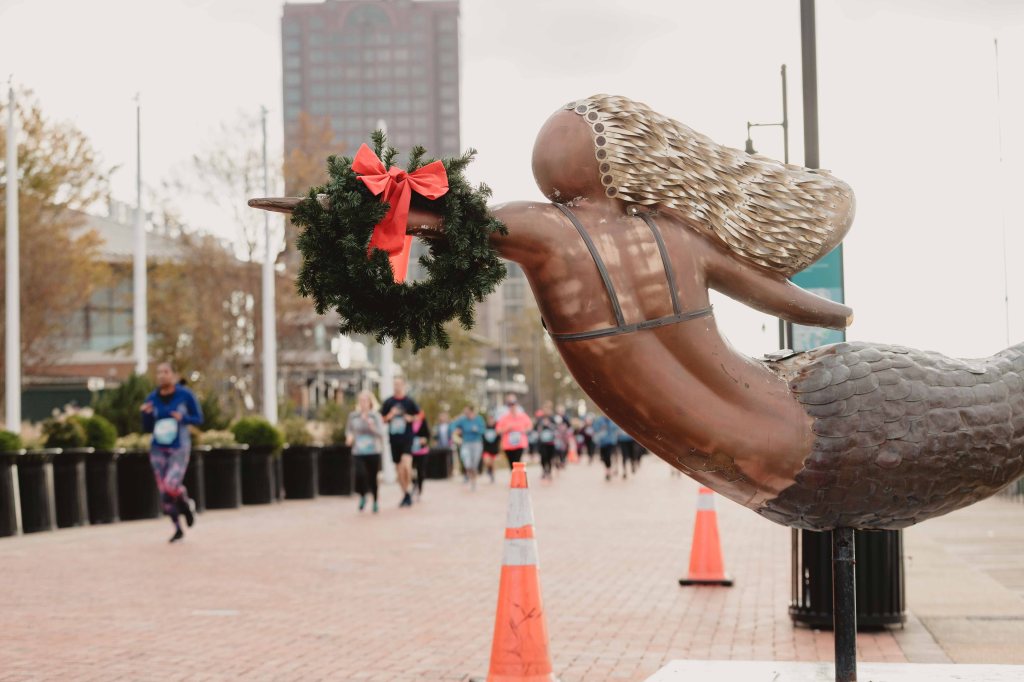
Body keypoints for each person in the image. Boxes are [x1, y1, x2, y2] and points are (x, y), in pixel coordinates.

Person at [140, 362, 203, 543]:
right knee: (164, 493)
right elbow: (147, 427)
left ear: (173, 375)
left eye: (166, 372)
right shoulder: (152, 398)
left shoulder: (185, 395)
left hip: (179, 446)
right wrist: (146, 414)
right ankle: (177, 528)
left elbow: (199, 418)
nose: (161, 375)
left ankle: (185, 504)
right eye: (159, 372)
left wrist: (182, 418)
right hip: (158, 448)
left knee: (171, 485)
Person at [381, 377, 420, 507]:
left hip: (407, 438)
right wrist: (390, 415)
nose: (396, 387)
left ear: (404, 385)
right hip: (394, 439)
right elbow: (382, 419)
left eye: (399, 384)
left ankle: (409, 486)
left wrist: (411, 418)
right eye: (395, 384)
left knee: (406, 466)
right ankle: (406, 494)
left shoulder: (409, 401)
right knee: (399, 470)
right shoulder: (389, 402)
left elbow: (419, 415)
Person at [346, 391, 386, 514]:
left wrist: (372, 426)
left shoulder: (376, 416)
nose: (363, 403)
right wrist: (349, 437)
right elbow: (349, 430)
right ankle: (363, 496)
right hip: (358, 451)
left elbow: (381, 433)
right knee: (360, 474)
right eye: (361, 401)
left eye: (365, 401)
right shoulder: (353, 416)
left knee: (373, 477)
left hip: (373, 451)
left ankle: (375, 501)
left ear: (370, 402)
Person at [452, 404, 485, 491]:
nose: (466, 413)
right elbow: (452, 426)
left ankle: (473, 482)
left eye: (467, 411)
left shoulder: (478, 419)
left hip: (477, 443)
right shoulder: (462, 420)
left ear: (471, 411)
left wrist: (476, 429)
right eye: (464, 412)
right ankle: (470, 478)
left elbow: (483, 430)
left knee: (474, 464)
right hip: (466, 444)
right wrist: (456, 430)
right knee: (467, 463)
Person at [496, 396, 532, 468]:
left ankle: (517, 477)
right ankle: (514, 477)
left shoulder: (522, 416)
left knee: (517, 462)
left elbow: (530, 426)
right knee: (511, 464)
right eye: (510, 404)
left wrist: (524, 430)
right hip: (508, 445)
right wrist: (507, 428)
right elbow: (498, 431)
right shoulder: (504, 418)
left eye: (513, 404)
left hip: (519, 444)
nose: (512, 406)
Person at [534, 402, 558, 480]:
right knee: (543, 457)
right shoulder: (540, 419)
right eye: (545, 409)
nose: (546, 411)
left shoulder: (552, 418)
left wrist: (549, 425)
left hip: (551, 442)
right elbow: (535, 428)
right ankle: (544, 470)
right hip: (542, 442)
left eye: (548, 409)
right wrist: (540, 427)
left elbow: (556, 428)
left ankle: (549, 471)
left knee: (550, 457)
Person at [410, 412, 431, 500]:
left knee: (420, 471)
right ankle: (414, 485)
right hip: (411, 451)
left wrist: (424, 440)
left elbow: (428, 435)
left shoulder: (423, 423)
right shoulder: (409, 423)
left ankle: (420, 489)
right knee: (411, 471)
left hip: (422, 451)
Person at [593, 414, 620, 482]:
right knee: (604, 457)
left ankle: (608, 471)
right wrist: (601, 428)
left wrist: (609, 427)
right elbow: (595, 428)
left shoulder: (612, 420)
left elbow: (616, 428)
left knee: (608, 456)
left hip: (611, 441)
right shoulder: (600, 420)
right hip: (602, 442)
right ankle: (608, 469)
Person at [482, 413, 500, 483]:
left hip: (494, 449)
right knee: (487, 461)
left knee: (493, 463)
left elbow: (499, 439)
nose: (491, 421)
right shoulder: (484, 428)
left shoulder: (497, 428)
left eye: (492, 419)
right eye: (489, 419)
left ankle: (492, 476)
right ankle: (489, 470)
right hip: (486, 449)